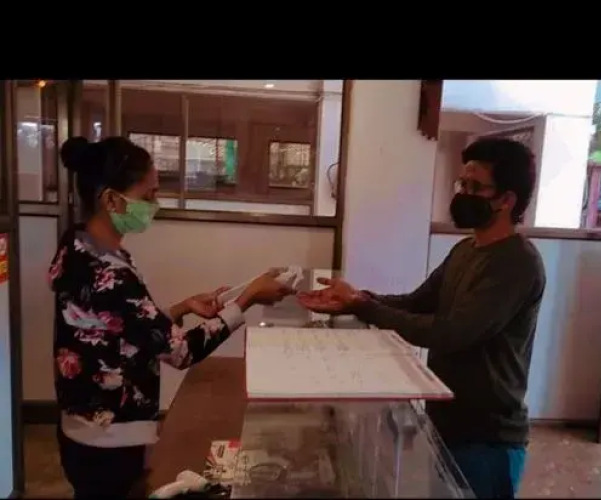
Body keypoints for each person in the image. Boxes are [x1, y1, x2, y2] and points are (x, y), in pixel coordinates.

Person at [298, 138, 546, 498]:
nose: (463, 194)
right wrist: (357, 300)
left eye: (476, 187)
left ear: (507, 200)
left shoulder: (517, 263)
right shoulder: (465, 250)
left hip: (488, 438)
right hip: (447, 423)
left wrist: (365, 307)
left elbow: (450, 333)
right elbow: (417, 302)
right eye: (462, 184)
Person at [48, 136, 294, 498]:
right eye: (147, 196)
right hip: (109, 441)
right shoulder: (111, 273)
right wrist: (247, 299)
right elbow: (181, 353)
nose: (154, 205)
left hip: (81, 431)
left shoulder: (77, 247)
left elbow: (113, 327)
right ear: (111, 200)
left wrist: (181, 308)